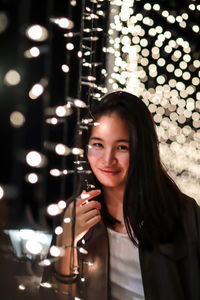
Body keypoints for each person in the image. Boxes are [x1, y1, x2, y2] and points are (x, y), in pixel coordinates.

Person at [41, 91, 200, 300]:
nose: (108, 159)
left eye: (122, 147)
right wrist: (66, 241)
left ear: (142, 150)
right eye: (98, 144)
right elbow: (58, 296)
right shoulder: (76, 212)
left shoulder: (184, 214)